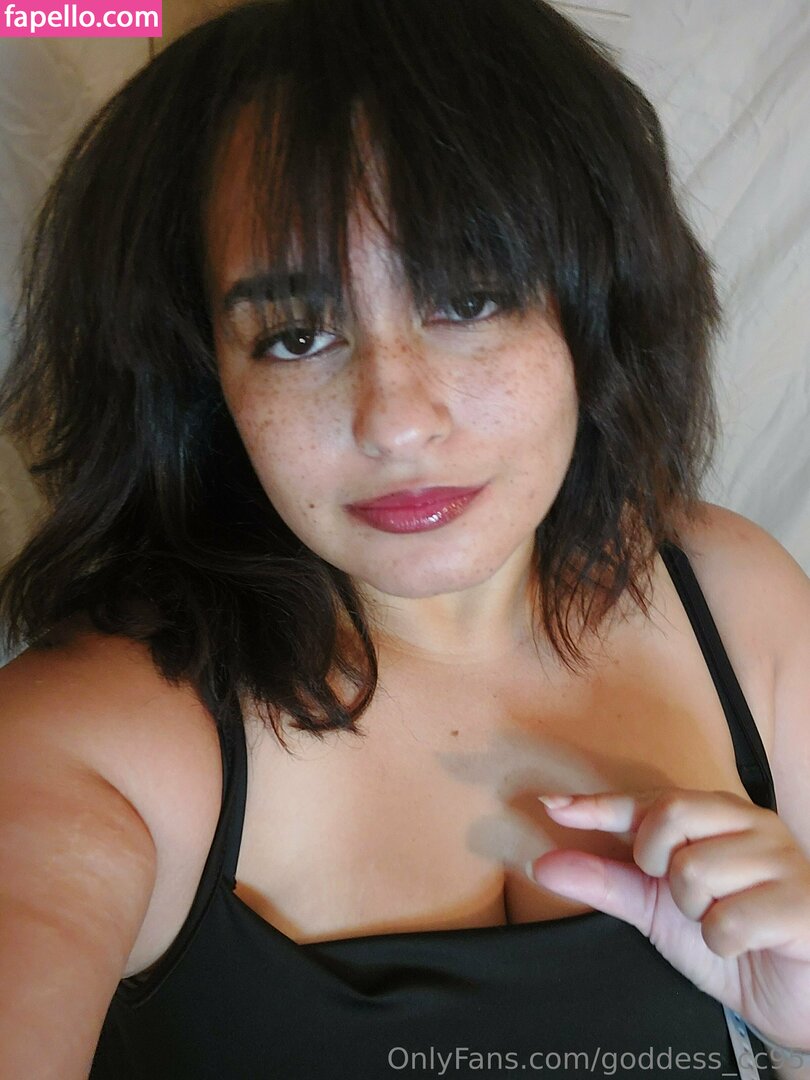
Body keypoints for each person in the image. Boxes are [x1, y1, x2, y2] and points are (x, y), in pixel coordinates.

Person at [0, 0, 808, 1076]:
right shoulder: (88, 743)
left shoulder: (739, 603)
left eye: (468, 301)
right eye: (297, 335)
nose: (396, 421)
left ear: (592, 302)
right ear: (202, 378)